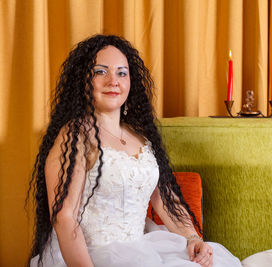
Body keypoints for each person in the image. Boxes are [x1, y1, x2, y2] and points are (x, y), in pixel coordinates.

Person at [27, 34, 242, 267]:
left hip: (144, 250)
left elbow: (164, 199)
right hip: (90, 256)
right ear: (83, 80)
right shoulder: (74, 137)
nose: (113, 81)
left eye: (122, 72)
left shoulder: (141, 136)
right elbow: (64, 218)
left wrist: (192, 237)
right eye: (101, 71)